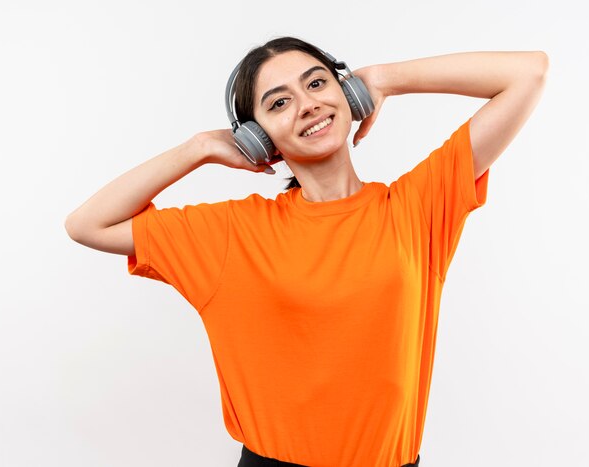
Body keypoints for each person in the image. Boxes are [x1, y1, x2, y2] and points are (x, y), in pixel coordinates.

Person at [64, 36, 548, 467]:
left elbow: (528, 71)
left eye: (317, 83)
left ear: (347, 93)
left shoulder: (416, 208)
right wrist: (198, 148)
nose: (307, 105)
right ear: (257, 139)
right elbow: (87, 223)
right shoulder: (233, 231)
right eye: (279, 103)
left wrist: (383, 79)